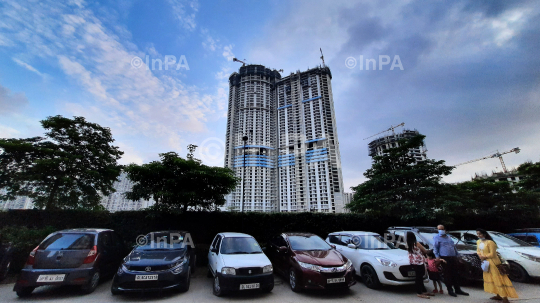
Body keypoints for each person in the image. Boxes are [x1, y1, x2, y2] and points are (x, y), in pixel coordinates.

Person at [476, 229, 518, 303]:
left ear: (484, 234)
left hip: (493, 262)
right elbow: (478, 251)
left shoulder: (490, 242)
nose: (478, 235)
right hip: (485, 262)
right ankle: (498, 294)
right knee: (491, 278)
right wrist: (480, 256)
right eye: (477, 234)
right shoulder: (478, 242)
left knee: (498, 278)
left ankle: (505, 297)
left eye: (480, 234)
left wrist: (484, 256)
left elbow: (493, 254)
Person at [433, 225, 469, 297]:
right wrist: (438, 257)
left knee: (455, 274)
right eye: (439, 229)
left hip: (453, 257)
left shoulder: (449, 237)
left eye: (442, 229)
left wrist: (457, 256)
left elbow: (453, 247)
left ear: (445, 229)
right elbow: (435, 248)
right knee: (447, 275)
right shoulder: (436, 238)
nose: (441, 230)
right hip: (444, 258)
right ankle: (450, 290)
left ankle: (457, 289)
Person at [406, 232, 433, 299]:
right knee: (419, 277)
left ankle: (423, 290)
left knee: (418, 277)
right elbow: (424, 251)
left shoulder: (407, 244)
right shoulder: (417, 243)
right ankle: (419, 292)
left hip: (413, 262)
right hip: (419, 262)